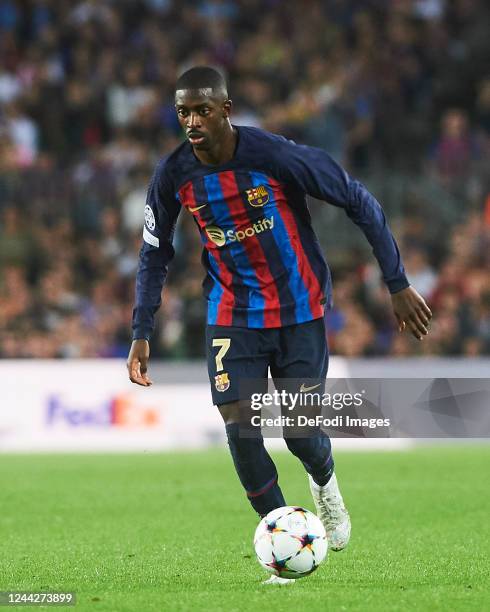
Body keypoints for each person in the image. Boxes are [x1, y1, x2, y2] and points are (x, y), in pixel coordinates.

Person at [127, 66, 432, 584]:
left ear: (226, 109)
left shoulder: (276, 156)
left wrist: (396, 282)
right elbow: (154, 251)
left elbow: (359, 200)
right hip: (231, 314)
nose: (193, 120)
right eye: (184, 111)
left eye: (203, 109)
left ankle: (325, 484)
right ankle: (283, 542)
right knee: (240, 430)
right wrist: (141, 330)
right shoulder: (173, 175)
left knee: (299, 430)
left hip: (299, 310)